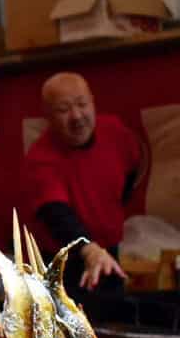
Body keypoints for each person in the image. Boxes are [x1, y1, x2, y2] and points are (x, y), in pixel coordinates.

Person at [23, 72, 142, 298]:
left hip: (108, 251)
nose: (77, 116)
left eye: (82, 104)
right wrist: (88, 249)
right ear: (47, 116)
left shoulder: (115, 132)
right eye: (63, 109)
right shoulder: (40, 158)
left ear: (93, 103)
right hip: (65, 261)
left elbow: (132, 170)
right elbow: (56, 214)